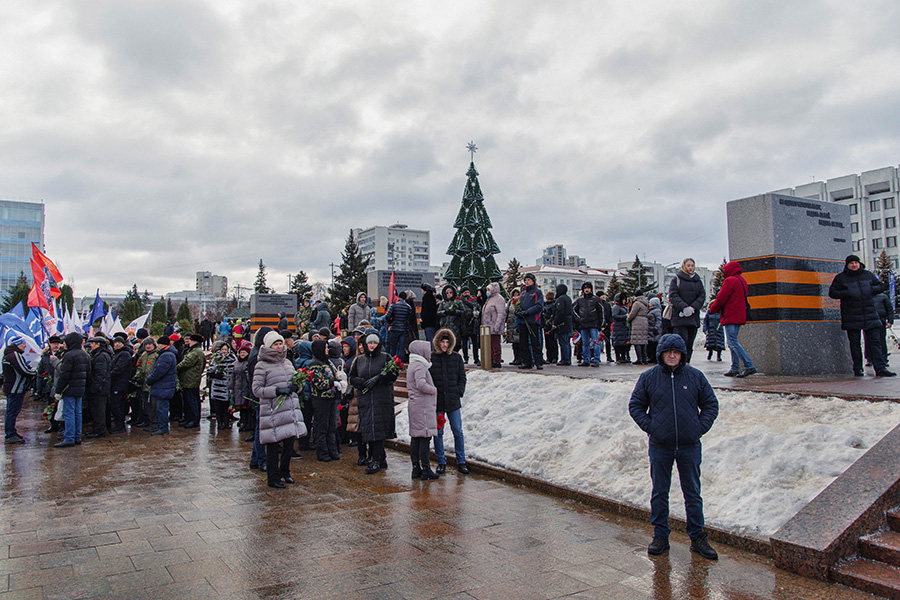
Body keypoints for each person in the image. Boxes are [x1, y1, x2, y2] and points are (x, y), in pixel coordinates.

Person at [628, 333, 719, 560]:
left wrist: (699, 428)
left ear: (682, 354)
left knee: (693, 493)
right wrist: (652, 427)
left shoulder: (695, 377)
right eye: (668, 352)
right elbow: (636, 406)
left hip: (689, 445)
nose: (671, 355)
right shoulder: (649, 377)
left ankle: (697, 536)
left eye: (676, 352)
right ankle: (660, 535)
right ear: (661, 354)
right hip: (661, 446)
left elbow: (710, 404)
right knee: (660, 492)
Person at [253, 331, 306, 488]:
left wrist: (298, 387)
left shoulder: (288, 363)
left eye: (280, 343)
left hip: (289, 410)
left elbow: (297, 381)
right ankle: (273, 477)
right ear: (269, 346)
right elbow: (256, 389)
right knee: (273, 446)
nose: (278, 347)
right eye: (275, 344)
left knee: (289, 444)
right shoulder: (261, 366)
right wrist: (275, 391)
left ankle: (285, 472)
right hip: (272, 411)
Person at [828, 254, 896, 377]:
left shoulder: (868, 275)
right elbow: (833, 292)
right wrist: (848, 292)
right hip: (851, 315)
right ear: (847, 265)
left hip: (869, 314)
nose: (854, 265)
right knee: (855, 343)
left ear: (859, 264)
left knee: (875, 342)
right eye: (851, 263)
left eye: (856, 262)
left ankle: (880, 368)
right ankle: (857, 369)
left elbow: (880, 286)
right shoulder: (841, 278)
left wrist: (870, 290)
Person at [349, 332, 399, 474]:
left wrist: (379, 379)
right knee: (369, 428)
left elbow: (393, 375)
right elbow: (352, 377)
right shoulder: (360, 360)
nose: (372, 346)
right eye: (370, 343)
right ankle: (379, 458)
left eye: (374, 343)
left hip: (381, 399)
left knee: (378, 429)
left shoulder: (385, 357)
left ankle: (375, 459)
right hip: (365, 399)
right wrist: (362, 383)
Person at [430, 328, 469, 474]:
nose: (444, 345)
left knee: (458, 432)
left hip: (453, 401)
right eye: (442, 342)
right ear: (438, 342)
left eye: (447, 342)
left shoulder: (456, 358)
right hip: (438, 401)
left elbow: (462, 377)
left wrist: (459, 391)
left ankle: (461, 461)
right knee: (438, 433)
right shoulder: (432, 358)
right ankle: (441, 461)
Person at [707, 260, 753, 376]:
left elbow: (721, 298)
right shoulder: (742, 280)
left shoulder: (730, 281)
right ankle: (735, 368)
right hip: (739, 315)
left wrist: (712, 310)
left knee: (732, 342)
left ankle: (748, 365)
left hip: (731, 315)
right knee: (733, 341)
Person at [406, 340, 440, 480]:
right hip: (423, 407)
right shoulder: (420, 366)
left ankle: (416, 468)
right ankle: (425, 469)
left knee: (416, 437)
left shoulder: (413, 364)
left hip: (415, 405)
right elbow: (421, 384)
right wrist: (434, 390)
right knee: (425, 438)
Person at [53, 332, 91, 448]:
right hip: (80, 388)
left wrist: (58, 391)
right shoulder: (84, 354)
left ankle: (69, 438)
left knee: (69, 413)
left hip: (69, 388)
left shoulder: (69, 355)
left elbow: (64, 375)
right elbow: (88, 373)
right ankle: (77, 436)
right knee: (77, 413)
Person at [308, 339, 342, 462]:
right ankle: (322, 452)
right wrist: (333, 383)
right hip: (321, 399)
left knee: (332, 426)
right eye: (326, 348)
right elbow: (318, 383)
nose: (328, 350)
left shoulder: (327, 362)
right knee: (322, 426)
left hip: (332, 398)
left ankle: (332, 450)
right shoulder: (314, 364)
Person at [668, 258, 706, 363]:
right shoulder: (676, 280)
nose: (690, 268)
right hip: (680, 317)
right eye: (688, 265)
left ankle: (687, 362)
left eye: (692, 265)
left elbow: (702, 296)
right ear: (684, 266)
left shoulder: (698, 281)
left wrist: (693, 307)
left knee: (690, 343)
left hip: (693, 317)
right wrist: (684, 307)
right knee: (682, 342)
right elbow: (673, 295)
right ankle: (680, 362)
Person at [3, 337, 35, 444]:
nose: (25, 346)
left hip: (12, 387)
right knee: (12, 412)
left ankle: (11, 432)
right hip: (15, 388)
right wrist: (34, 373)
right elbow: (23, 370)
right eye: (23, 344)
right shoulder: (15, 355)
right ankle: (10, 434)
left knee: (11, 411)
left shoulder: (8, 355)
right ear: (17, 345)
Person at [145, 336, 178, 435]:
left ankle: (162, 427)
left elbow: (159, 372)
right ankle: (161, 426)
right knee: (161, 407)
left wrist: (149, 380)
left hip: (163, 386)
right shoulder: (168, 354)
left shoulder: (166, 355)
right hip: (164, 386)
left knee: (162, 408)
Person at [85, 336, 113, 439]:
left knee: (99, 410)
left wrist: (94, 388)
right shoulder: (101, 354)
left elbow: (100, 374)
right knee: (101, 409)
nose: (91, 345)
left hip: (100, 389)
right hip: (102, 388)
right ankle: (101, 428)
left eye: (93, 343)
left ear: (98, 344)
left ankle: (99, 430)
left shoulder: (100, 356)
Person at [516, 273, 544, 370]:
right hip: (523, 321)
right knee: (523, 343)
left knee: (535, 342)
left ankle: (538, 361)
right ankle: (526, 361)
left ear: (533, 281)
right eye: (526, 280)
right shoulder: (523, 294)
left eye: (529, 280)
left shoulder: (537, 292)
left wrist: (527, 312)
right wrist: (518, 311)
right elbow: (519, 305)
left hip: (532, 321)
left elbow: (539, 306)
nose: (527, 282)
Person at [177, 333, 206, 428]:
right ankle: (189, 418)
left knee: (191, 401)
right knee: (189, 400)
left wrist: (175, 368)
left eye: (191, 340)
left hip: (191, 380)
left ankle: (193, 419)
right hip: (189, 379)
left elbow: (185, 363)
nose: (189, 342)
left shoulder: (195, 352)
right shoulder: (195, 351)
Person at [573, 282, 604, 367]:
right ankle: (586, 360)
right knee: (585, 343)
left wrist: (601, 324)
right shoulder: (579, 300)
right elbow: (573, 310)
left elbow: (601, 311)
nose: (587, 290)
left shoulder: (596, 299)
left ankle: (596, 359)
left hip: (593, 324)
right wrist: (578, 319)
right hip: (583, 324)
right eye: (585, 288)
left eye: (588, 288)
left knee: (595, 342)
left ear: (591, 289)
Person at [108, 336, 134, 434]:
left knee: (117, 405)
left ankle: (120, 426)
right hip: (115, 383)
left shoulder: (124, 354)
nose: (117, 344)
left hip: (119, 384)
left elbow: (119, 369)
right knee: (115, 405)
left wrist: (108, 375)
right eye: (116, 342)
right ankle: (119, 425)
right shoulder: (116, 354)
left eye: (119, 342)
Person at [207, 341, 235, 429]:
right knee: (218, 406)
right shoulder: (215, 359)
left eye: (226, 349)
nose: (224, 351)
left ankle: (226, 422)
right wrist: (215, 375)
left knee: (227, 406)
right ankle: (220, 423)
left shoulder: (233, 358)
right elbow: (209, 372)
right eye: (223, 349)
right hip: (218, 387)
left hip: (227, 387)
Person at [481, 282, 507, 368]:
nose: (487, 291)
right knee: (490, 345)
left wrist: (497, 326)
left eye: (489, 290)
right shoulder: (489, 299)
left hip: (494, 326)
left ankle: (497, 361)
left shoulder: (499, 299)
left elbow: (501, 314)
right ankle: (491, 359)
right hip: (487, 327)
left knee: (495, 345)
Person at [229, 341, 253, 432]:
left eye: (244, 352)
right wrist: (231, 387)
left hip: (246, 388)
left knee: (247, 408)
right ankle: (243, 422)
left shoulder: (248, 363)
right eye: (241, 352)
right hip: (238, 387)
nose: (242, 354)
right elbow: (233, 375)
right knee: (241, 408)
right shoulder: (236, 363)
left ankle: (248, 424)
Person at [384, 292, 412, 361]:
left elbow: (387, 316)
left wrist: (391, 323)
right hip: (403, 329)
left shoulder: (393, 306)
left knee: (393, 347)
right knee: (401, 348)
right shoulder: (408, 307)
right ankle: (400, 363)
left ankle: (392, 363)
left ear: (399, 297)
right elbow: (410, 318)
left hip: (394, 328)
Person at [437, 285, 466, 349]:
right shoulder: (443, 303)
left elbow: (463, 312)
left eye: (450, 293)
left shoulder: (458, 302)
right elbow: (438, 312)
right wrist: (444, 312)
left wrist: (455, 312)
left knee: (455, 342)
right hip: (445, 325)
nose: (449, 294)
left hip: (455, 325)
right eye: (447, 293)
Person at [552, 284, 574, 366]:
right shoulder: (568, 298)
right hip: (568, 322)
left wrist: (555, 323)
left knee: (563, 342)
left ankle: (565, 359)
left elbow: (559, 312)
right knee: (567, 342)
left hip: (562, 324)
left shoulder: (560, 299)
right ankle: (567, 358)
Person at [627, 291, 651, 365]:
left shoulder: (637, 303)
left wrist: (628, 318)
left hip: (637, 322)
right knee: (643, 341)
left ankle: (639, 359)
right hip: (644, 322)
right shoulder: (645, 303)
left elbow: (632, 313)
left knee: (637, 341)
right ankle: (644, 359)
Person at [459, 287, 481, 365]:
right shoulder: (459, 301)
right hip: (464, 324)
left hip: (472, 325)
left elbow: (476, 306)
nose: (467, 294)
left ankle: (476, 358)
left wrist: (468, 302)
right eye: (465, 293)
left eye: (468, 292)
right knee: (464, 343)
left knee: (475, 342)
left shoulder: (472, 300)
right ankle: (465, 358)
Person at [873, 291, 894, 368]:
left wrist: (890, 321)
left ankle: (883, 358)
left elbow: (889, 309)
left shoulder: (883, 297)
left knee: (881, 340)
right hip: (870, 321)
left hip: (881, 321)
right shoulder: (866, 297)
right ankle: (870, 358)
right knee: (869, 340)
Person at [611, 293, 631, 364]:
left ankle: (623, 357)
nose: (624, 301)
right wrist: (625, 316)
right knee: (618, 343)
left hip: (623, 328)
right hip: (618, 327)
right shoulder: (616, 307)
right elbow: (615, 316)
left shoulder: (623, 307)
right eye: (623, 299)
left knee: (623, 343)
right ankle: (619, 357)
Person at [542, 290, 558, 366]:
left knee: (552, 342)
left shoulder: (551, 304)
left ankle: (552, 357)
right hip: (547, 325)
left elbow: (553, 314)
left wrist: (549, 321)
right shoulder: (546, 304)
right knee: (549, 342)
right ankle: (551, 357)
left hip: (550, 325)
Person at [505, 289, 521, 365]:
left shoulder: (519, 301)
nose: (515, 294)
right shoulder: (510, 302)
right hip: (510, 323)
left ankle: (519, 358)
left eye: (517, 293)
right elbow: (506, 311)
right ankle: (516, 357)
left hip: (516, 323)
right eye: (514, 293)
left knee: (518, 342)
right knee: (513, 343)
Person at [598, 292, 614, 362]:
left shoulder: (607, 305)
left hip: (606, 325)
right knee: (597, 342)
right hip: (598, 326)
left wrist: (609, 322)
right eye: (601, 296)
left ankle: (609, 356)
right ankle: (597, 356)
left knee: (607, 342)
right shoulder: (597, 304)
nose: (603, 297)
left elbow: (610, 315)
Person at [647, 297, 663, 364]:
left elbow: (659, 320)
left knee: (653, 345)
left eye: (650, 302)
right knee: (651, 345)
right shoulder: (652, 310)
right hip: (651, 330)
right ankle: (652, 358)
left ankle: (653, 358)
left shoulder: (656, 311)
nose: (649, 303)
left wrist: (656, 328)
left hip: (654, 331)